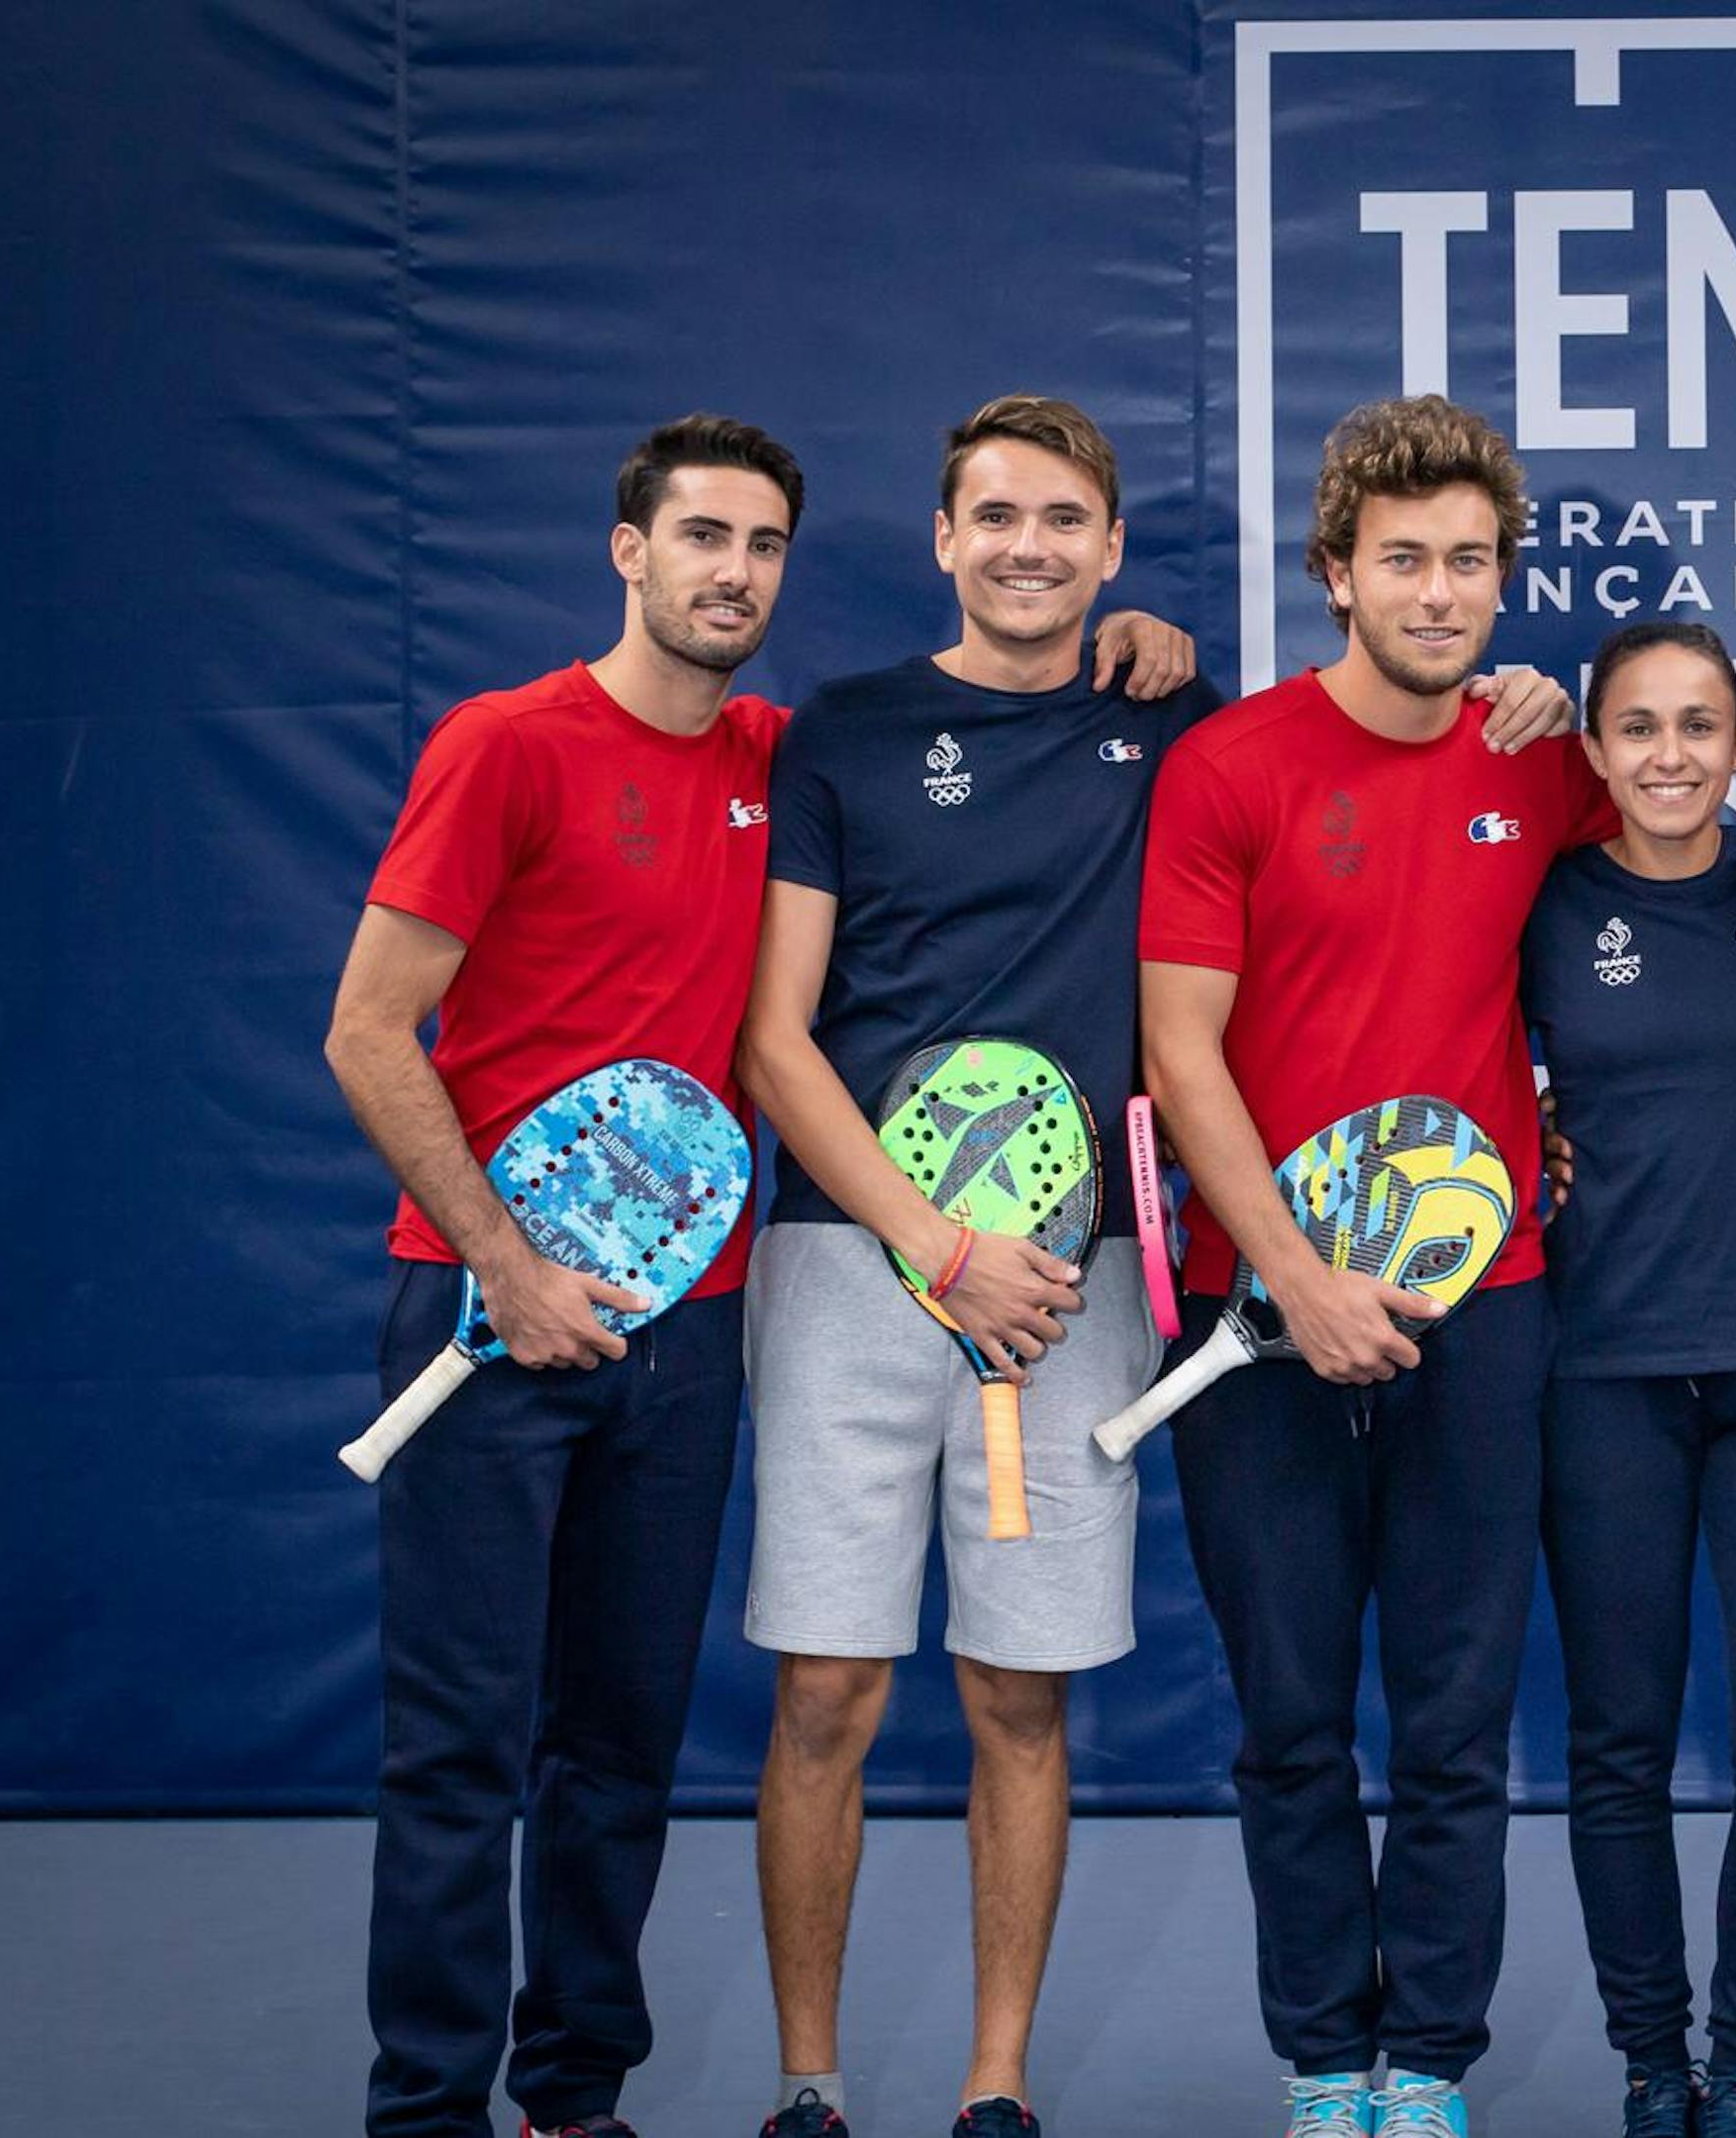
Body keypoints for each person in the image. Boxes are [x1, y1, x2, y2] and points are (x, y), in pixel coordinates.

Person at [732, 394, 1218, 2138]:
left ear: (1107, 547)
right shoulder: (844, 736)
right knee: (827, 1695)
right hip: (858, 1265)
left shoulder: (1170, 721)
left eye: (1064, 521)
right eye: (994, 517)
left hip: (1071, 1292)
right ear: (944, 540)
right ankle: (809, 2083)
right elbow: (779, 1043)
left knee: (1019, 1699)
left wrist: (1527, 706)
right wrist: (939, 1244)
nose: (1028, 547)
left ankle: (996, 2086)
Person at [1137, 393, 1615, 2138]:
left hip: (1482, 1309)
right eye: (1402, 560)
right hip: (1255, 1314)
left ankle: (1428, 2067)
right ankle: (1322, 2062)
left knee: (1455, 1711)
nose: (1439, 592)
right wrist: (1298, 1282)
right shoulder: (1231, 766)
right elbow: (1182, 1053)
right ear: (1336, 574)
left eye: (1471, 562)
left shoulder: (1539, 758)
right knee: (1287, 1715)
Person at [324, 414, 802, 2138]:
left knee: (616, 1752)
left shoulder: (777, 758)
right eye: (700, 538)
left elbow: (977, 742)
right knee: (458, 1750)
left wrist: (1140, 648)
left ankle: (572, 2096)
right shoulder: (505, 746)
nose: (730, 572)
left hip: (689, 1332)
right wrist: (511, 1269)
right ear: (630, 550)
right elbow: (370, 1035)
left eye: (760, 547)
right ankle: (429, 2111)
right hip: (481, 1323)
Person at [1523, 621, 1736, 2138]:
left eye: (1699, 727)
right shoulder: (1541, 903)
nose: (1669, 755)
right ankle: (1652, 2061)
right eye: (1638, 728)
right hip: (1604, 1369)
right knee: (1619, 1738)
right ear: (1593, 753)